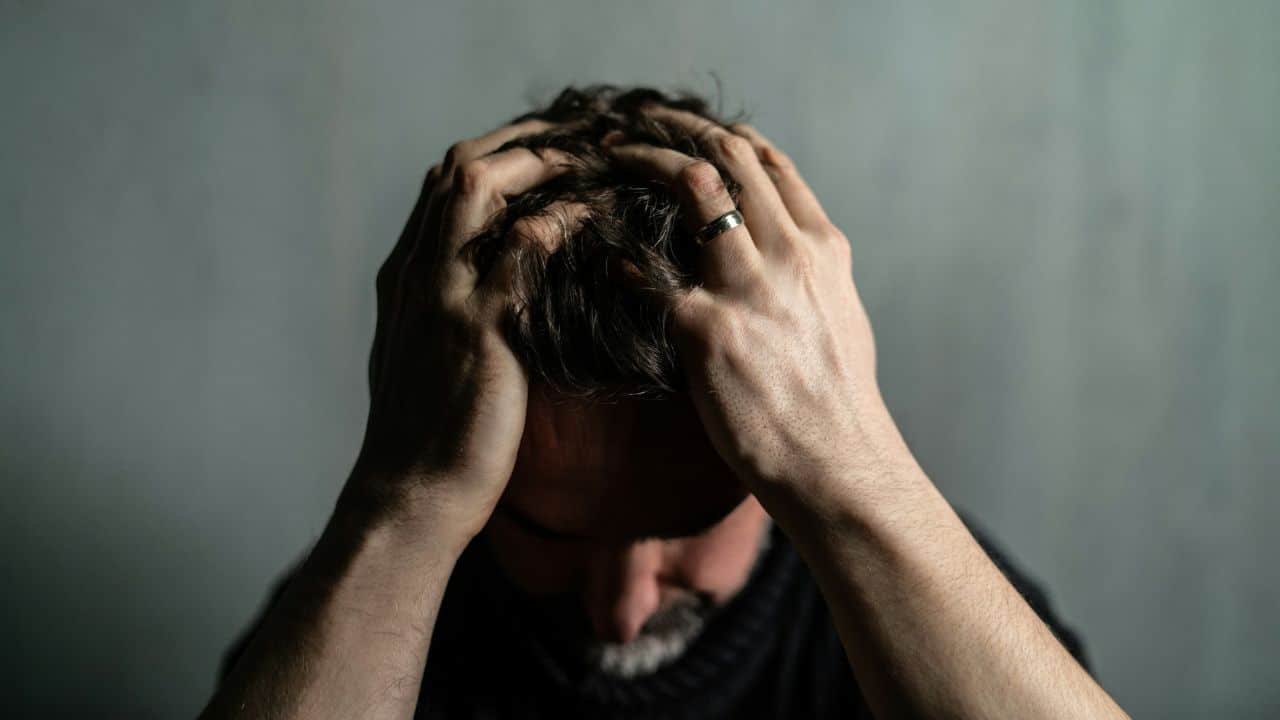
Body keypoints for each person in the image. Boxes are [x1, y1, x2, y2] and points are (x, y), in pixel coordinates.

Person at [201, 86, 1130, 719]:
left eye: (691, 524)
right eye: (551, 535)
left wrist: (858, 466)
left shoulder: (931, 603)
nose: (622, 609)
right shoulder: (367, 595)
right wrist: (400, 503)